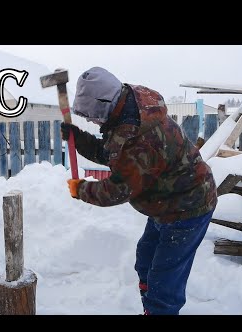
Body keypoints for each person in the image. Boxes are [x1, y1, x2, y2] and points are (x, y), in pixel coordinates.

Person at [62, 67, 217, 315]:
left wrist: (82, 189)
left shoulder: (141, 137)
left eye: (92, 116)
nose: (91, 121)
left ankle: (159, 310)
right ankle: (152, 308)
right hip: (165, 203)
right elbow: (113, 154)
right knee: (145, 259)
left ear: (105, 105)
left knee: (164, 280)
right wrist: (79, 140)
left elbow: (118, 189)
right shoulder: (127, 109)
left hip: (188, 206)